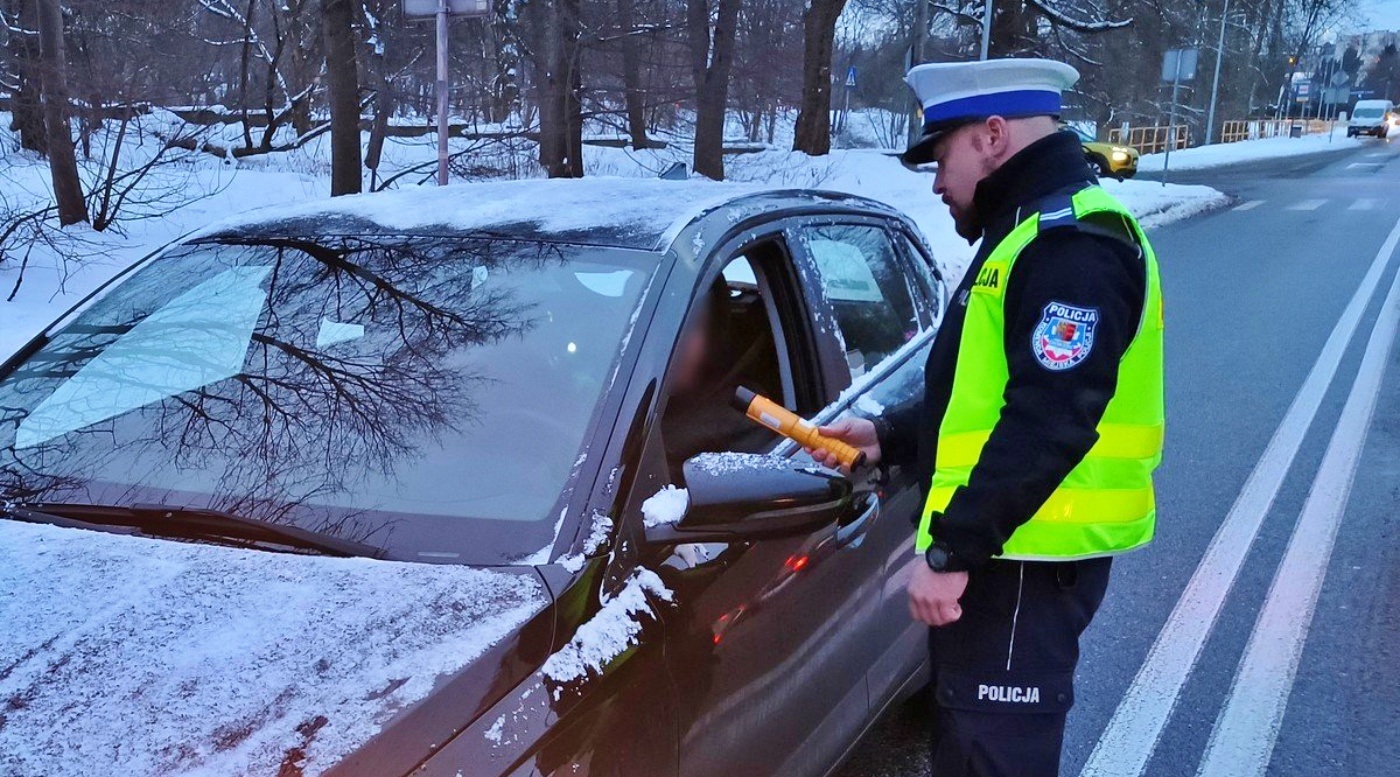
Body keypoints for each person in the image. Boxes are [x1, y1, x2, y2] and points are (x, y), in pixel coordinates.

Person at [809, 58, 1164, 776]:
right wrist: (892, 434)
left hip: (1021, 566)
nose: (937, 182)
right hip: (1010, 563)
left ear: (993, 134)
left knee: (990, 759)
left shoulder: (1073, 245)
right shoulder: (1027, 232)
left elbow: (1050, 418)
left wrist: (952, 551)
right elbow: (990, 388)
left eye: (942, 156)